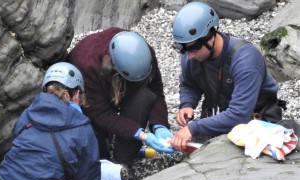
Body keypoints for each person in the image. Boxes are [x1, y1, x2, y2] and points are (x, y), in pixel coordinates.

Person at [170, 2, 286, 152]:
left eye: (193, 48)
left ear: (211, 36)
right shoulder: (192, 54)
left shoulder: (246, 59)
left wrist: (194, 128)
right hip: (218, 114)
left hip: (256, 121)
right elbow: (189, 84)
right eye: (183, 48)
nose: (189, 55)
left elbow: (239, 115)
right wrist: (187, 104)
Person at [66, 27, 175, 166]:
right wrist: (140, 133)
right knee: (97, 154)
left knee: (145, 97)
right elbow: (102, 115)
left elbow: (156, 90)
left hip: (119, 82)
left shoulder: (144, 53)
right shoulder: (87, 66)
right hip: (88, 103)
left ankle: (124, 162)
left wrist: (159, 125)